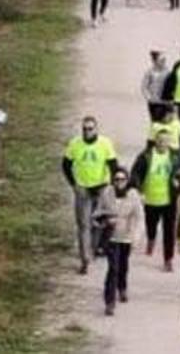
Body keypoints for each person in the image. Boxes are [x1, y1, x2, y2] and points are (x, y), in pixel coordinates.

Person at [61, 116, 119, 274]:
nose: (87, 131)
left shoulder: (105, 143)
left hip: (100, 186)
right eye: (85, 129)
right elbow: (66, 165)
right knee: (83, 224)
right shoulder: (75, 144)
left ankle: (95, 248)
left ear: (96, 129)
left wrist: (112, 187)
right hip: (82, 188)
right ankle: (85, 259)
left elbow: (114, 165)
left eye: (90, 128)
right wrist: (73, 184)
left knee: (100, 221)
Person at [131, 130, 180, 271]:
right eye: (159, 140)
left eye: (165, 140)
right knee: (151, 225)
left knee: (169, 231)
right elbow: (135, 173)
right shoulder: (146, 156)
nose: (162, 143)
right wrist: (139, 190)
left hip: (169, 200)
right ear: (155, 141)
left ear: (169, 142)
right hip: (150, 199)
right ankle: (151, 240)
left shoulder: (176, 156)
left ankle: (168, 259)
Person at [95, 167, 141, 315]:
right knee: (112, 268)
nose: (119, 182)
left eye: (122, 180)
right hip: (111, 237)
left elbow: (139, 217)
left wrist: (136, 237)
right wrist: (106, 220)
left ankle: (122, 287)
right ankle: (109, 302)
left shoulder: (133, 196)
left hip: (126, 237)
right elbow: (97, 214)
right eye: (116, 179)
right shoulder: (106, 194)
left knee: (123, 265)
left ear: (127, 181)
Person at [141, 50, 170, 120]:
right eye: (161, 60)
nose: (163, 62)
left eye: (164, 60)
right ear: (155, 61)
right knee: (155, 122)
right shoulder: (150, 72)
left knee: (164, 123)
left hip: (164, 102)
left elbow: (172, 85)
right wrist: (149, 98)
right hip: (154, 102)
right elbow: (144, 86)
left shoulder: (168, 72)